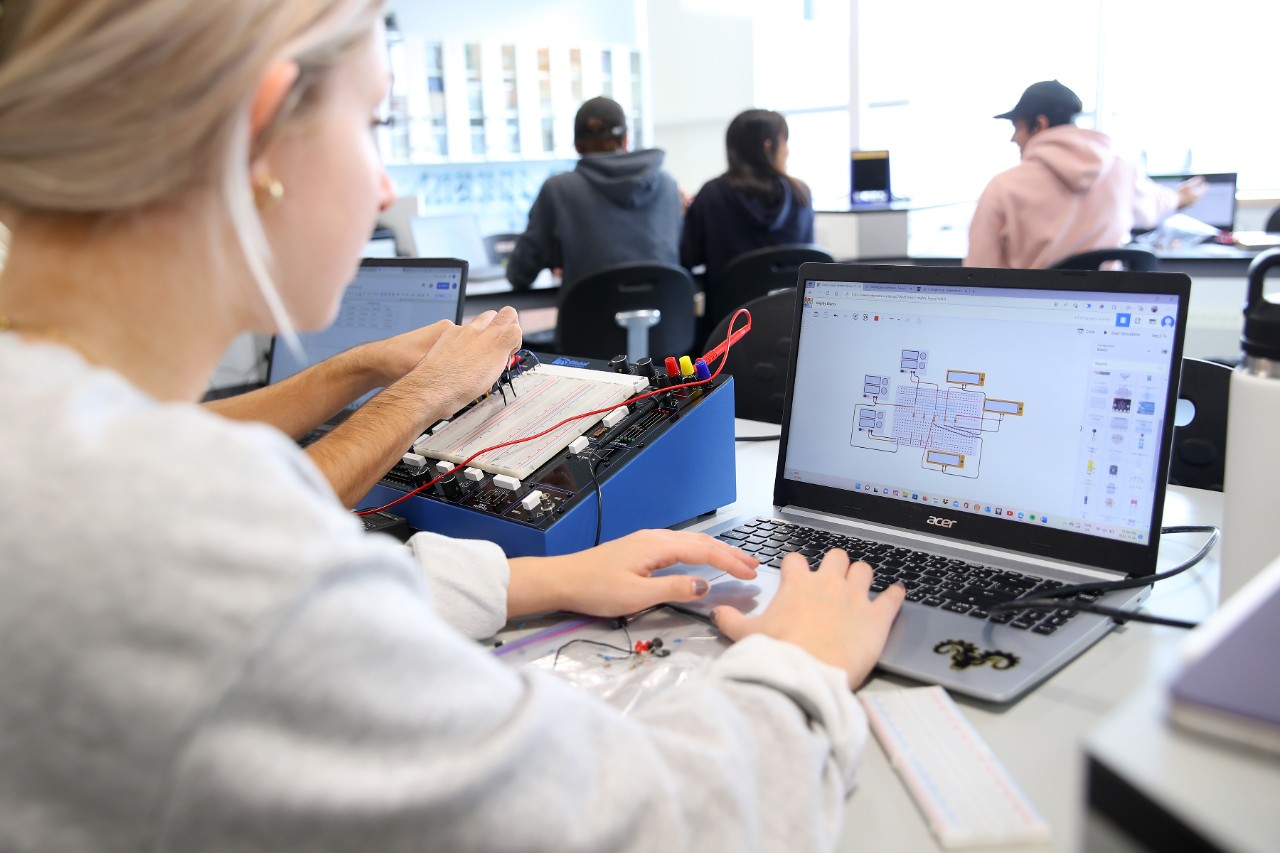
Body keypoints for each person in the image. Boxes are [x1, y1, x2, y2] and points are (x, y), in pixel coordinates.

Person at [0, 3, 906, 852]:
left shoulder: (59, 444)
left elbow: (256, 604)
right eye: (373, 124)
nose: (385, 182)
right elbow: (658, 821)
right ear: (259, 136)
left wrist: (538, 577)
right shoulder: (191, 534)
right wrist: (803, 664)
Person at [965, 80, 1206, 269]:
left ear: (1040, 123)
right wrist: (1179, 198)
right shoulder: (1122, 170)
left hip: (1029, 320)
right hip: (1103, 318)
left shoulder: (1003, 186)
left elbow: (977, 272)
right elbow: (1153, 205)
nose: (1013, 138)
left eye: (1016, 127)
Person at [504, 96, 682, 291]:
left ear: (577, 145)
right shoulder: (667, 185)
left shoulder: (558, 189)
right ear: (625, 140)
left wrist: (561, 256)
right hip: (667, 318)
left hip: (587, 318)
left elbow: (519, 273)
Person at [680, 109, 816, 282]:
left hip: (730, 308)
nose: (787, 151)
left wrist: (685, 217)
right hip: (788, 307)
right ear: (768, 146)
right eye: (784, 142)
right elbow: (810, 263)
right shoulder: (801, 194)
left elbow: (688, 258)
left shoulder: (711, 195)